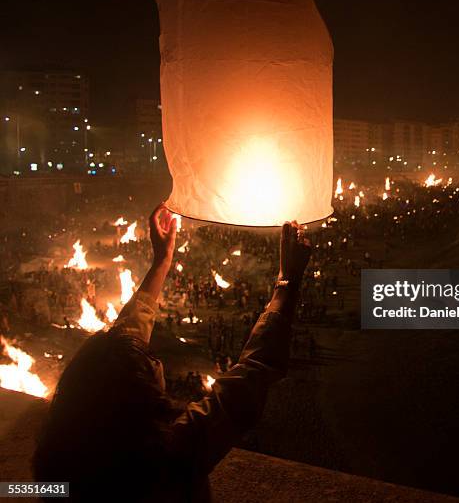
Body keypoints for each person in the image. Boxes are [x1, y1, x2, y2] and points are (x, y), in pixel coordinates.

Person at [33, 203, 312, 502]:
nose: (158, 361)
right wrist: (287, 281)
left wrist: (161, 260)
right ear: (135, 396)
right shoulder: (172, 452)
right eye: (150, 363)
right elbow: (253, 371)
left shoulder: (61, 453)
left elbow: (127, 336)